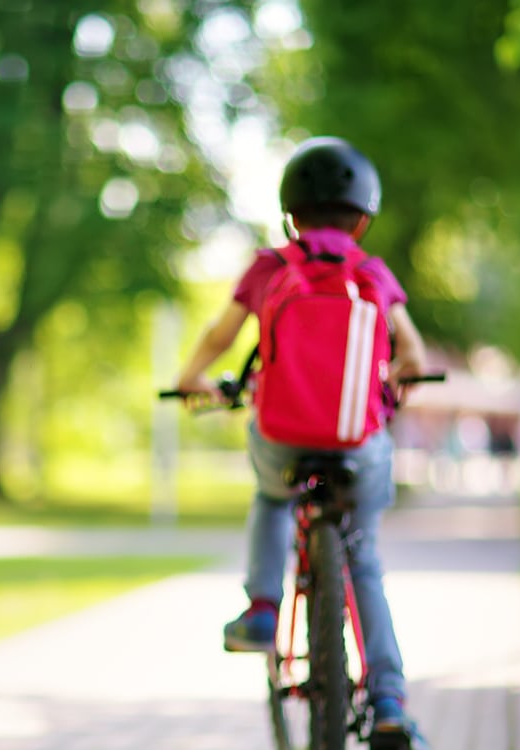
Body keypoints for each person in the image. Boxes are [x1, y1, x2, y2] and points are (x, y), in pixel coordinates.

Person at [170, 136, 430, 747]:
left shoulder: (270, 268)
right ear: (363, 217)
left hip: (282, 437)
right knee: (363, 560)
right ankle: (388, 700)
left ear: (291, 214)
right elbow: (412, 353)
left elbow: (219, 334)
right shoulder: (371, 273)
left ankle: (263, 609)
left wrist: (190, 380)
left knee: (270, 497)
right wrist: (399, 380)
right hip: (358, 442)